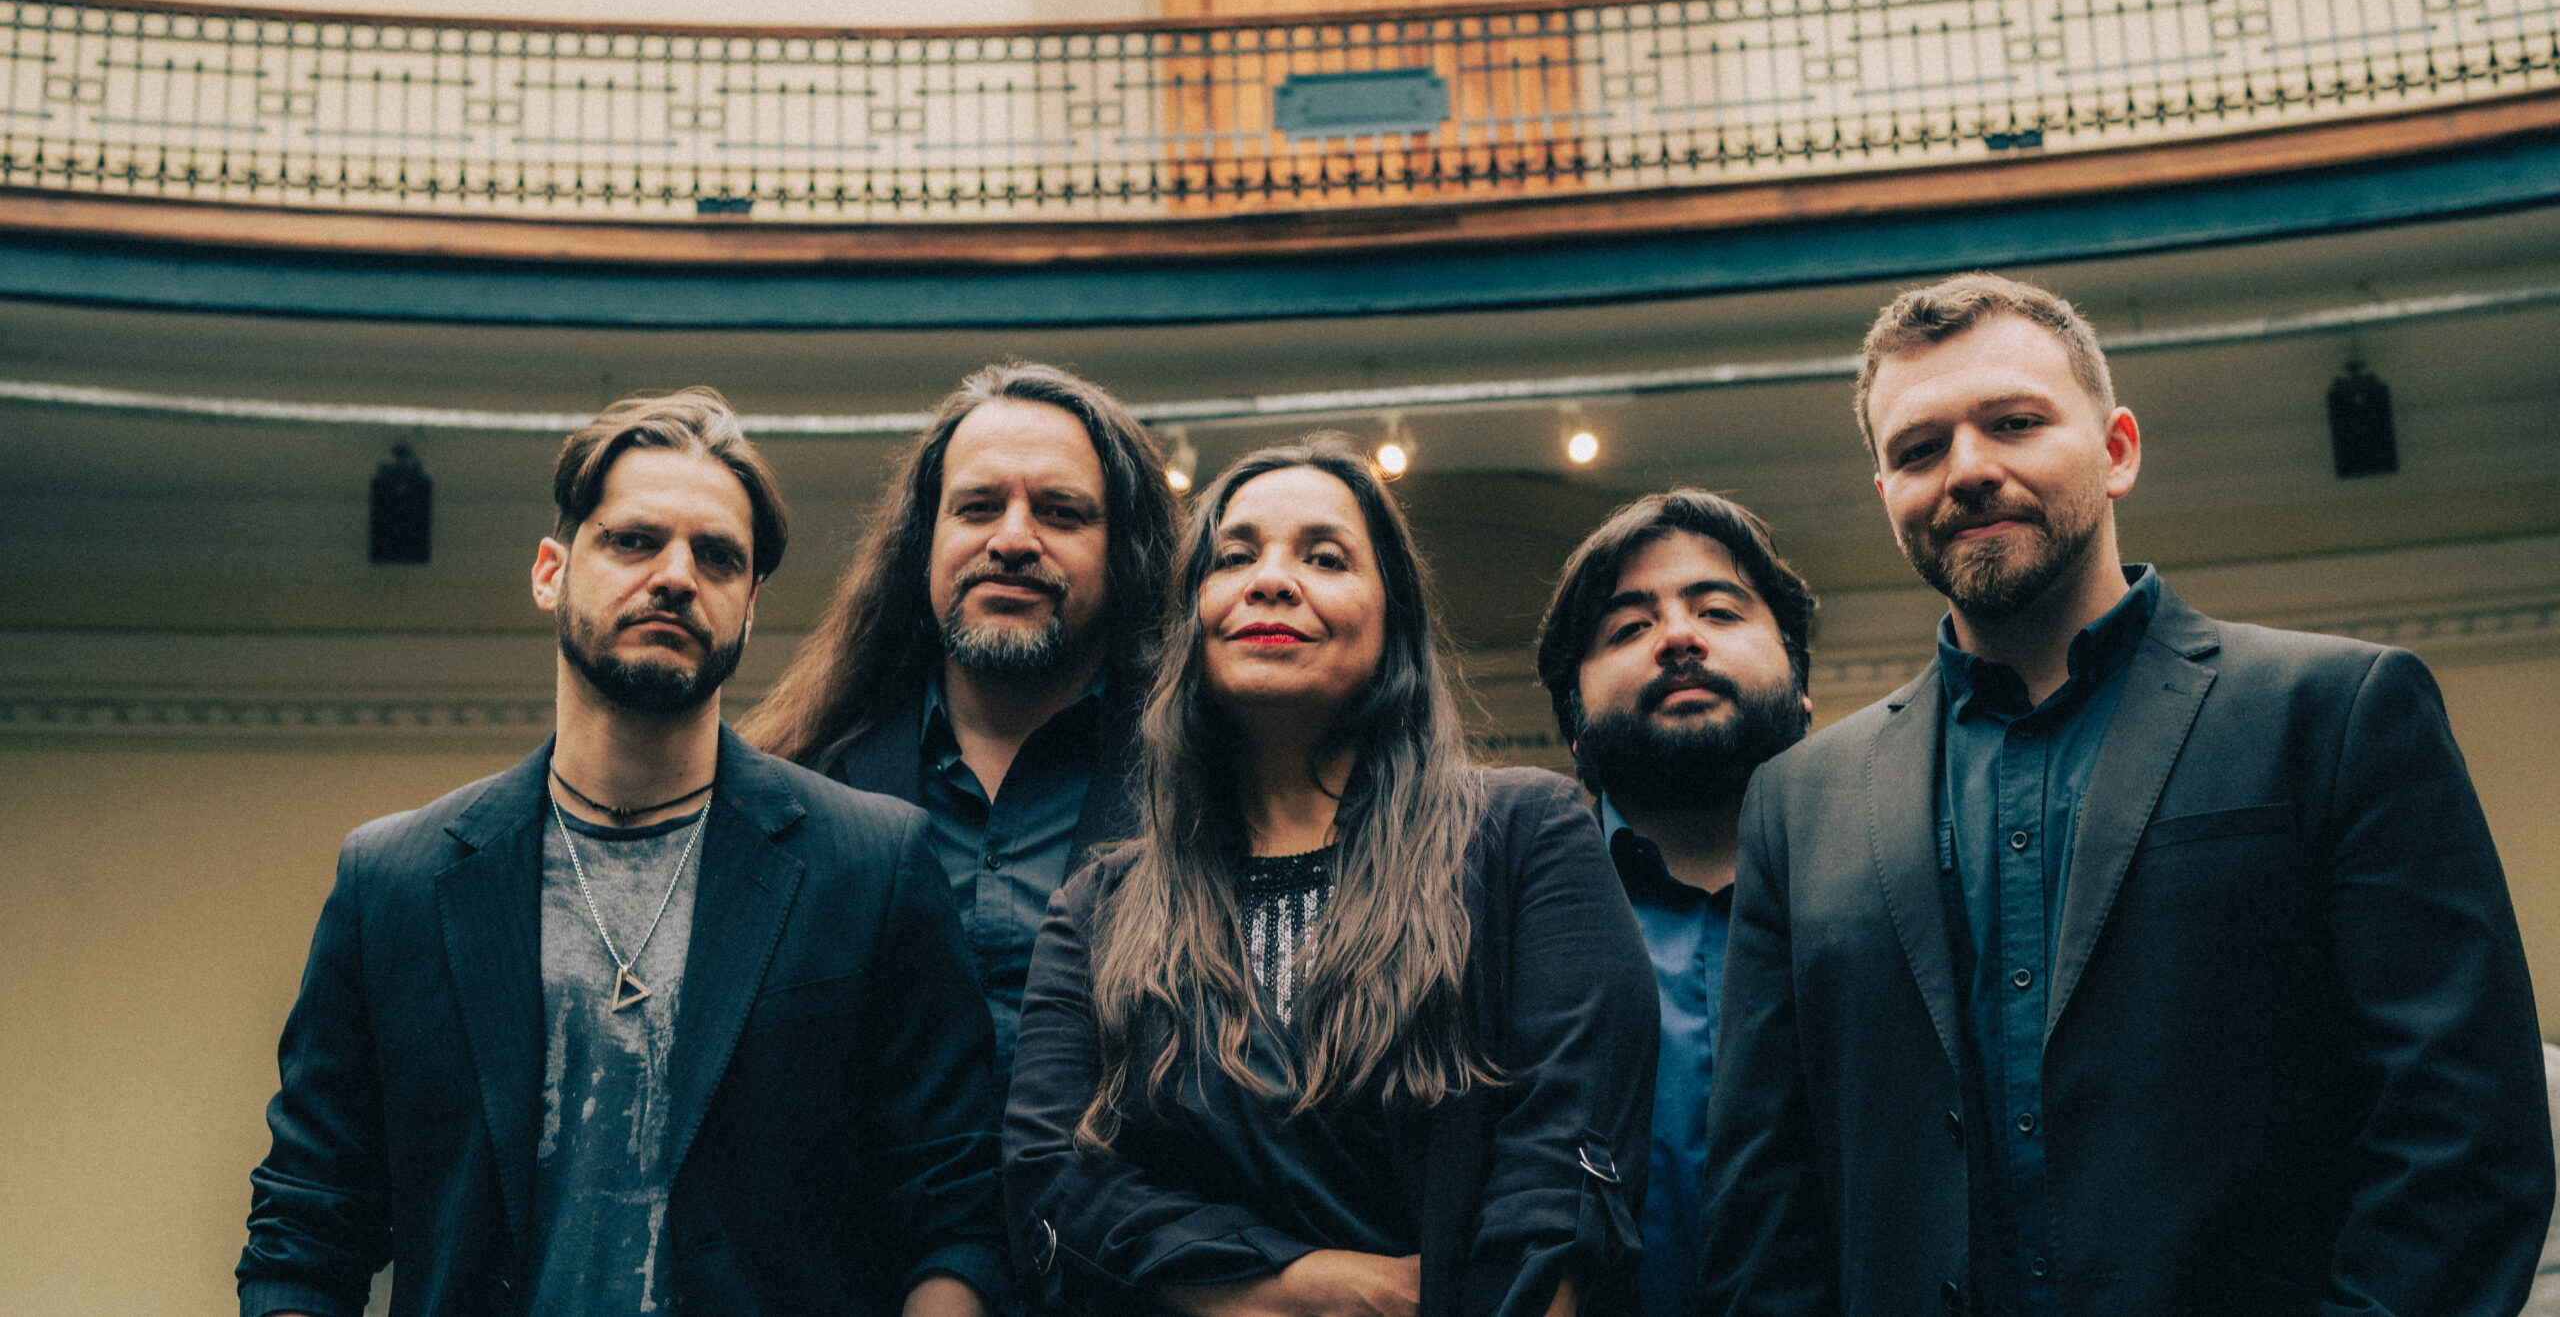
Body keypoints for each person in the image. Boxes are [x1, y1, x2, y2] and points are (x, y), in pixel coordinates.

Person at [1699, 274, 2554, 1316]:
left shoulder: (2336, 712)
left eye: (2014, 423)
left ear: (2117, 451)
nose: (1968, 469)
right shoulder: (1795, 804)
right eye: (1919, 449)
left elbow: (2463, 1138)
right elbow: (1763, 1206)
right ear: (1886, 493)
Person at [238, 390, 1009, 1317]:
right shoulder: (393, 882)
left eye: (718, 556)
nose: (677, 576)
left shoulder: (871, 867)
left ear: (749, 606)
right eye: (634, 541)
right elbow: (307, 1224)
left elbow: (952, 1212)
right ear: (550, 572)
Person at [1006, 435, 1660, 1317]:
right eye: (1234, 557)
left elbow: (1565, 1165)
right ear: (1192, 620)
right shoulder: (1097, 908)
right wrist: (1304, 1288)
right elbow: (1051, 1178)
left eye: (1324, 557)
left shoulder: (1523, 835)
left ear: (1393, 618)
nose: (1272, 580)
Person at [744, 363, 1176, 1085]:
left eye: (1061, 513)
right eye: (977, 508)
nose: (1013, 539)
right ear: (924, 543)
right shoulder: (804, 787)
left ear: (1124, 554)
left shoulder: (1203, 788)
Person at [1531, 492, 1814, 1317]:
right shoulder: (1499, 925)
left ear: (1800, 683)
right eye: (1629, 628)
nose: (1679, 637)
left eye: (1718, 610)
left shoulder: (1901, 887)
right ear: (1574, 725)